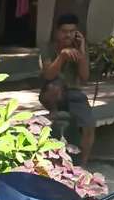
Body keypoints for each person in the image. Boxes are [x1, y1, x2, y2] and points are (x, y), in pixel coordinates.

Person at [39, 13, 94, 165]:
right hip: (52, 93)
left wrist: (81, 51)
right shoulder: (48, 48)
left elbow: (84, 77)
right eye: (64, 31)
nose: (68, 35)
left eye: (71, 31)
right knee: (54, 87)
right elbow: (48, 75)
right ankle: (54, 115)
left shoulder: (79, 47)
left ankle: (82, 165)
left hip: (73, 93)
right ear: (57, 32)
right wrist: (61, 57)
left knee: (89, 125)